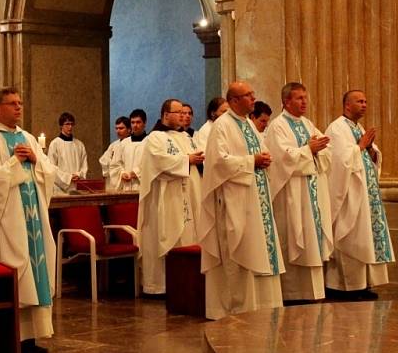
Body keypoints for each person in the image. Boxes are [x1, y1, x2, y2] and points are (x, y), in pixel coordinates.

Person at [0, 87, 57, 353]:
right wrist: (14, 162)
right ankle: (13, 337)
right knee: (17, 268)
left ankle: (32, 336)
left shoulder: (28, 137)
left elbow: (48, 170)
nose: (18, 108)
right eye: (12, 104)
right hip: (10, 216)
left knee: (36, 270)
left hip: (33, 215)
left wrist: (35, 160)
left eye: (20, 103)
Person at [198, 81, 285, 320]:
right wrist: (252, 161)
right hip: (235, 201)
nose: (253, 99)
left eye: (253, 94)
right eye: (248, 95)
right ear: (234, 100)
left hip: (256, 200)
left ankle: (261, 305)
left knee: (258, 248)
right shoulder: (222, 126)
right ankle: (235, 308)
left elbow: (260, 152)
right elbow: (218, 162)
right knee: (239, 252)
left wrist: (264, 159)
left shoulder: (248, 124)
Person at [264, 83, 334, 301]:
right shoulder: (278, 126)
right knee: (295, 237)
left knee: (313, 238)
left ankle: (314, 292)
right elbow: (281, 157)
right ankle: (293, 292)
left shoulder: (307, 124)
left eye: (305, 97)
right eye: (299, 98)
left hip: (311, 189)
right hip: (292, 193)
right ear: (286, 101)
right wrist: (308, 150)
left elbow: (326, 149)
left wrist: (315, 151)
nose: (304, 102)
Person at [325, 90, 394, 298]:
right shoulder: (336, 128)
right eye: (359, 101)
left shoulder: (358, 127)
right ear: (347, 105)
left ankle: (364, 284)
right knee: (351, 239)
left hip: (366, 194)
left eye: (365, 101)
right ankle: (345, 287)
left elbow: (368, 156)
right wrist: (361, 146)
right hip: (349, 195)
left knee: (365, 239)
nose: (364, 104)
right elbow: (339, 161)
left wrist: (372, 152)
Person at [138, 99, 205, 295]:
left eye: (185, 112)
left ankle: (185, 283)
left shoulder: (186, 137)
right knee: (166, 237)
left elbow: (196, 160)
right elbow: (159, 163)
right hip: (165, 199)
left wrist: (199, 159)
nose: (183, 115)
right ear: (166, 115)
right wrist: (188, 160)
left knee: (188, 237)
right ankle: (160, 286)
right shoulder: (155, 138)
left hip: (188, 197)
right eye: (178, 112)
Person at [47, 112, 88, 193]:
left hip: (77, 185)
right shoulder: (55, 144)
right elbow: (51, 167)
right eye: (67, 124)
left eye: (72, 124)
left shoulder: (79, 144)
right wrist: (68, 177)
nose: (70, 127)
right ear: (61, 125)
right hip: (60, 188)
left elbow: (84, 165)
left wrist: (79, 175)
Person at [110, 109, 148, 191]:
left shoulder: (150, 142)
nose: (135, 125)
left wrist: (137, 173)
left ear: (144, 123)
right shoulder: (124, 143)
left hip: (143, 186)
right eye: (133, 122)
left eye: (138, 122)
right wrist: (122, 173)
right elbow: (115, 164)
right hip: (126, 186)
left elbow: (153, 164)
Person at [99, 116, 131, 190]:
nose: (118, 131)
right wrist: (110, 166)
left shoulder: (131, 144)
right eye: (116, 128)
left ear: (129, 129)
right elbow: (103, 160)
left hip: (126, 180)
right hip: (112, 181)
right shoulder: (113, 145)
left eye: (121, 128)